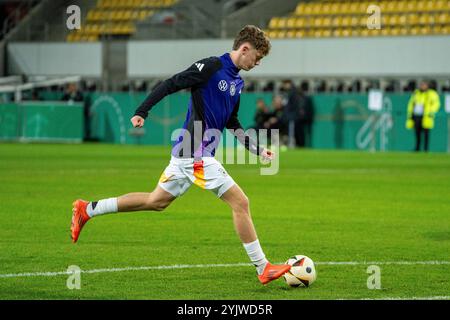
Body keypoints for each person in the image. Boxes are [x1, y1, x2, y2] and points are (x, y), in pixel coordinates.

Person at [70, 25, 291, 285]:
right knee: (240, 203)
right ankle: (263, 267)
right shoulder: (211, 67)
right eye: (258, 56)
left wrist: (255, 149)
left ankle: (87, 209)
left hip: (191, 154)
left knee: (156, 201)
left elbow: (232, 122)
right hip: (194, 153)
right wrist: (142, 111)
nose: (258, 62)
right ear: (245, 48)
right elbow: (171, 83)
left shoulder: (237, 82)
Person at [405, 80, 441, 152]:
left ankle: (426, 149)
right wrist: (410, 113)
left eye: (424, 85)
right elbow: (411, 104)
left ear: (427, 86)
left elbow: (436, 104)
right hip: (416, 115)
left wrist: (431, 111)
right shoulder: (416, 93)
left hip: (426, 116)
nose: (422, 86)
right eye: (421, 85)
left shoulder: (432, 94)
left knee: (426, 134)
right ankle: (417, 148)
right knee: (417, 133)